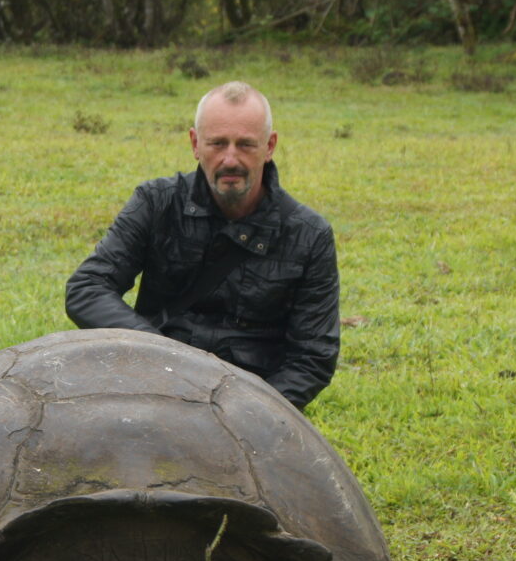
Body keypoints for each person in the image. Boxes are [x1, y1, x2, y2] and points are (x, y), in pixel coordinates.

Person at [64, 81, 340, 409]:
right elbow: (87, 288)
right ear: (195, 143)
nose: (230, 159)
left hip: (249, 403)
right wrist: (161, 355)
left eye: (246, 145)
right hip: (154, 382)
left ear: (270, 146)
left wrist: (249, 412)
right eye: (217, 143)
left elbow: (312, 358)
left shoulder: (310, 235)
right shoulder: (155, 203)